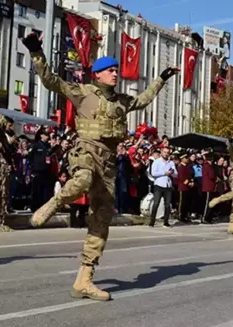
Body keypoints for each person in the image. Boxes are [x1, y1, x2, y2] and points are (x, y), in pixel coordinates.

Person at [21, 32, 179, 301]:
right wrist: (36, 50)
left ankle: (84, 280)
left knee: (101, 220)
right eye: (111, 71)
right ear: (98, 74)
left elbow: (143, 99)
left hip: (108, 162)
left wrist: (162, 78)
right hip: (85, 150)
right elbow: (49, 80)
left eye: (117, 70)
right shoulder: (82, 92)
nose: (116, 74)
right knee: (81, 181)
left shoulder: (121, 101)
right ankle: (55, 202)